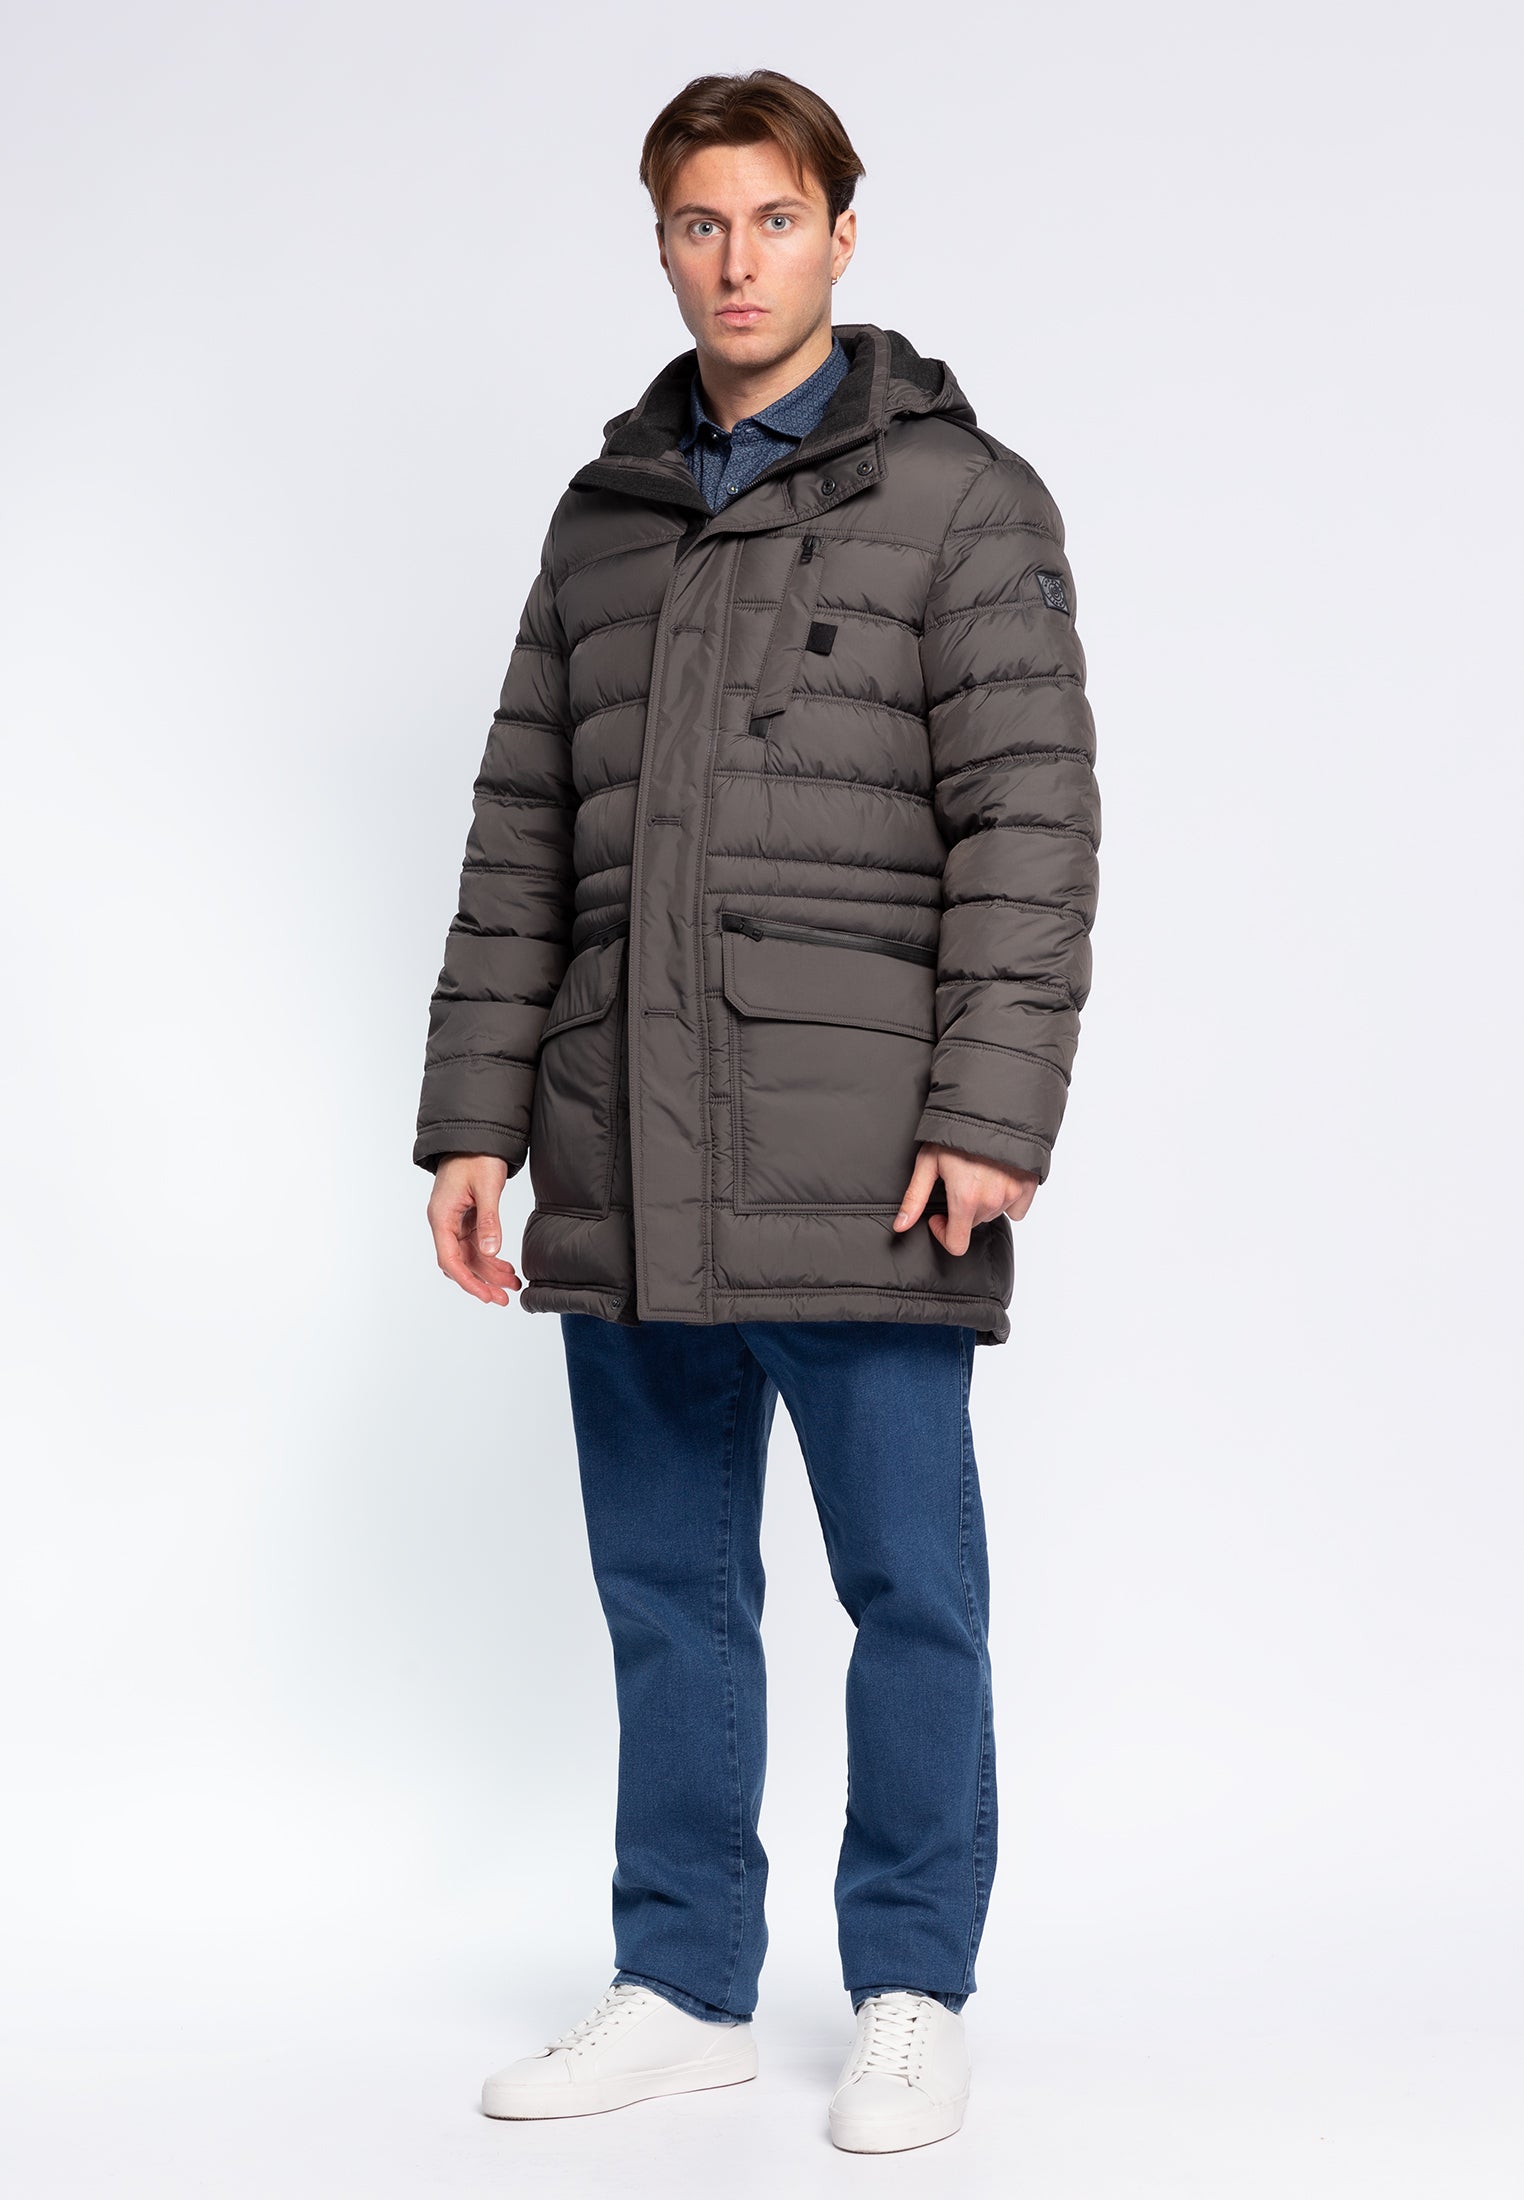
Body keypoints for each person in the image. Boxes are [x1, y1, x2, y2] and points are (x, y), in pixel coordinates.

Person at [413, 68, 1100, 2155]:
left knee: (913, 1591)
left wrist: (993, 1110)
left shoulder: (961, 500)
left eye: (774, 220)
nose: (737, 262)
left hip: (867, 1162)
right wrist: (474, 1122)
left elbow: (1031, 826)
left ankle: (910, 1985)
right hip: (624, 1154)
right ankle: (687, 1980)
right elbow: (520, 836)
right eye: (700, 225)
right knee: (670, 1595)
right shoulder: (602, 519)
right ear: (660, 241)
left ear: (841, 233)